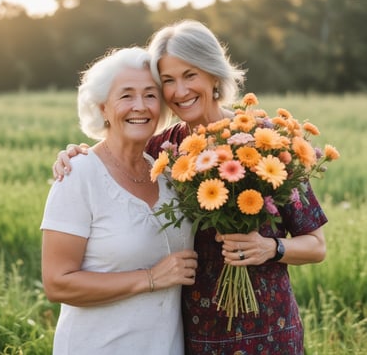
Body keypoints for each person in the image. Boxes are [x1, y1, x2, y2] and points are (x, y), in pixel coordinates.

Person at [52, 20, 327, 355]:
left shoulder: (268, 141)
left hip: (268, 328)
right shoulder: (165, 149)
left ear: (213, 75)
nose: (179, 91)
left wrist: (270, 249)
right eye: (167, 80)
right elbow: (116, 158)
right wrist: (75, 154)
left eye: (190, 75)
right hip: (194, 333)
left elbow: (316, 245)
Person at [41, 46, 198, 355]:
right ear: (103, 107)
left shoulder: (168, 175)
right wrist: (150, 278)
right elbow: (57, 283)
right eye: (126, 95)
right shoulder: (78, 174)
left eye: (150, 95)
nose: (140, 106)